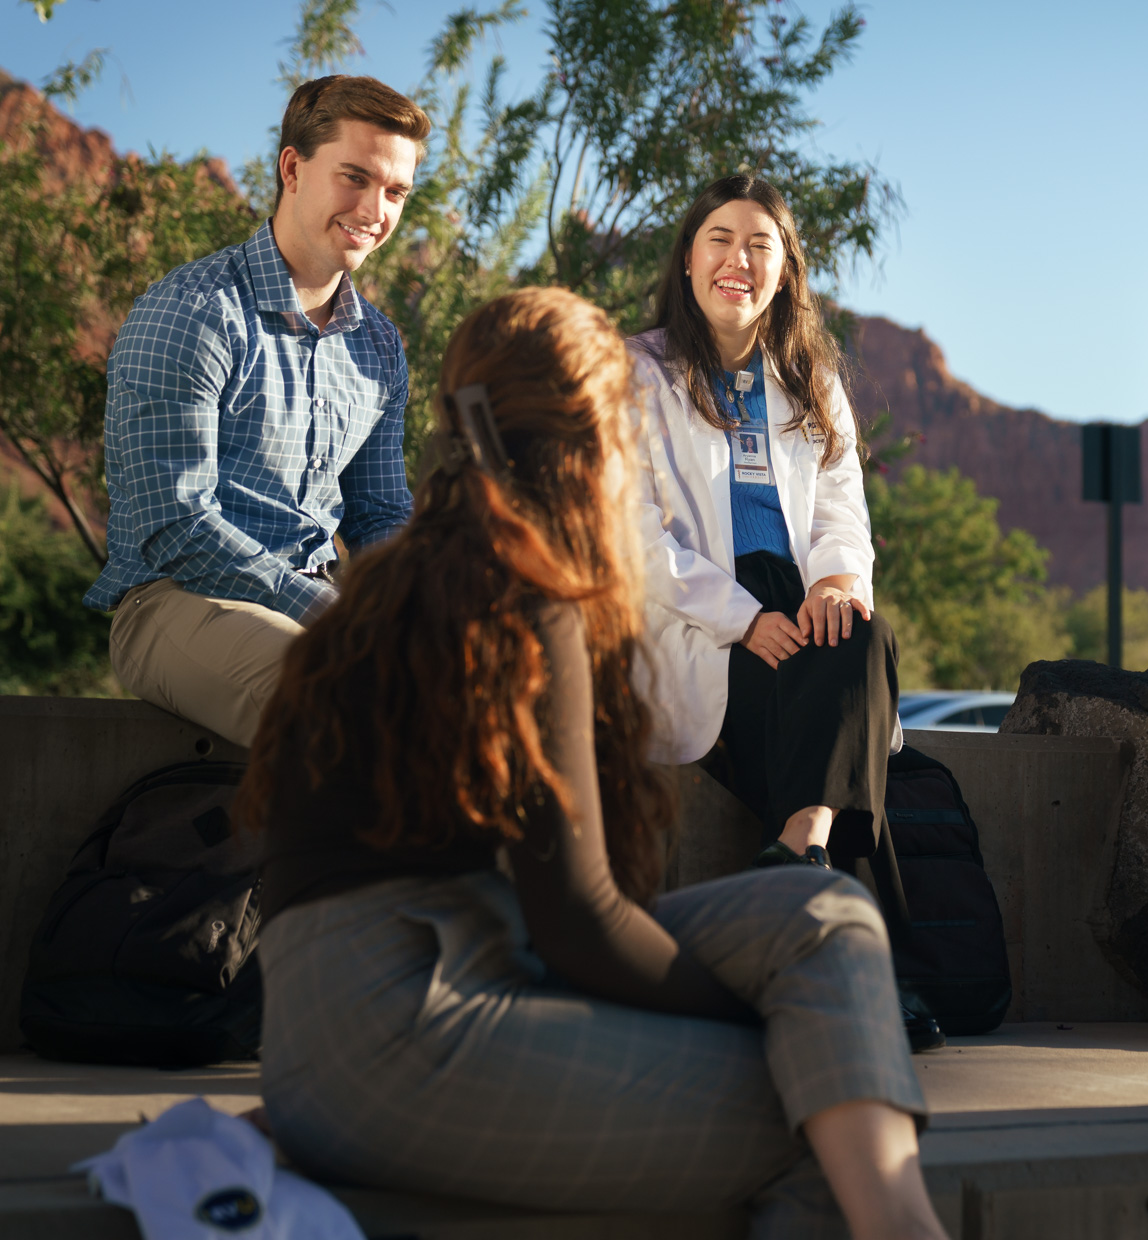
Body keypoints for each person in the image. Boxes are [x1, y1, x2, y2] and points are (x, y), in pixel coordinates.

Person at [239, 287, 947, 1240]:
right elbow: (581, 927)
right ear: (594, 444)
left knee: (818, 909)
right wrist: (753, 1023)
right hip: (402, 1031)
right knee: (829, 1117)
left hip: (404, 1005)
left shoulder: (412, 580)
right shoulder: (520, 602)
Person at [83, 75, 426, 746]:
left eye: (395, 192)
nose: (375, 210)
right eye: (354, 178)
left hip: (322, 608)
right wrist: (337, 616)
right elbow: (175, 527)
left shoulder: (379, 346)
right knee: (346, 699)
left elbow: (380, 513)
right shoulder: (194, 311)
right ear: (293, 169)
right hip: (178, 601)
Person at [627, 173, 898, 873]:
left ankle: (800, 840)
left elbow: (841, 507)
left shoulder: (812, 380)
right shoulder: (636, 371)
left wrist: (836, 587)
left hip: (805, 607)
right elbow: (629, 533)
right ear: (688, 258)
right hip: (700, 613)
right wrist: (744, 620)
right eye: (719, 240)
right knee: (827, 744)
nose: (737, 261)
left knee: (865, 634)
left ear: (784, 273)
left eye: (759, 246)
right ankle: (833, 887)